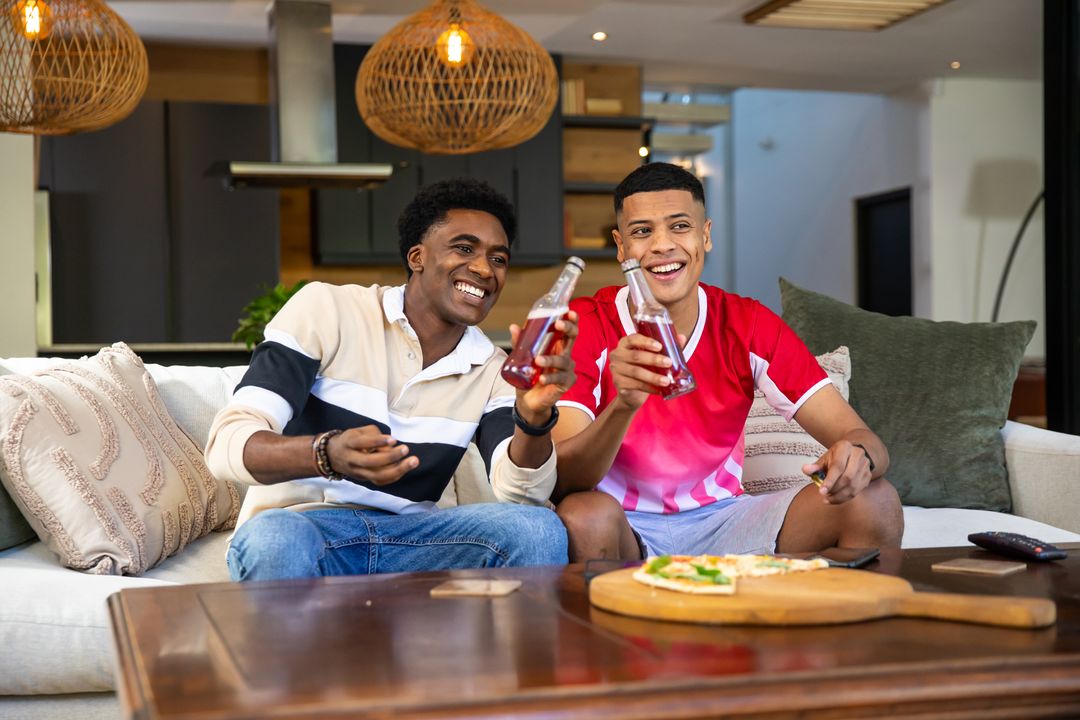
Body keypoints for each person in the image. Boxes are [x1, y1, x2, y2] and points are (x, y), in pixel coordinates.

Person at [206, 178, 575, 580]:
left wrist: (534, 416)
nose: (485, 269)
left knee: (536, 528)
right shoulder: (329, 309)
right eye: (464, 249)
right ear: (417, 256)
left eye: (498, 259)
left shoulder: (493, 369)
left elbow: (520, 494)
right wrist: (325, 454)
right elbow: (228, 444)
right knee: (274, 541)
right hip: (306, 529)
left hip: (413, 542)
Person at [552, 163, 903, 562]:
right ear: (621, 247)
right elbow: (564, 479)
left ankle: (858, 621)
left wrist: (859, 459)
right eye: (642, 231)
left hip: (725, 519)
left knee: (875, 498)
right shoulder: (587, 323)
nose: (663, 245)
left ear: (706, 235)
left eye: (680, 226)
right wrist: (624, 406)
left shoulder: (748, 323)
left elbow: (867, 441)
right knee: (583, 514)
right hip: (622, 526)